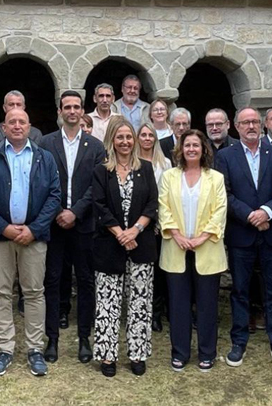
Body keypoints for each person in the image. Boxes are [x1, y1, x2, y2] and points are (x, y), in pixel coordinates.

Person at [0, 108, 61, 377]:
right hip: (0, 238)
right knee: (0, 292)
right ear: (4, 127)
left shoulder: (44, 158)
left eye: (22, 121)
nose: (17, 126)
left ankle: (34, 348)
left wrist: (33, 229)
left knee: (34, 292)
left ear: (30, 126)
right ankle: (5, 348)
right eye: (12, 122)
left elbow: (54, 196)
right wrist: (4, 228)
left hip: (33, 239)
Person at [215, 108, 272, 368]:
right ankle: (239, 341)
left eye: (254, 121)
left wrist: (266, 212)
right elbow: (223, 193)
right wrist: (250, 215)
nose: (251, 126)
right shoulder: (225, 156)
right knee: (240, 291)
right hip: (242, 233)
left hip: (271, 233)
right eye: (245, 122)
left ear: (262, 126)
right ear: (236, 127)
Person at [40, 91, 107, 364]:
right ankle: (52, 339)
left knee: (86, 281)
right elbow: (41, 182)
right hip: (54, 225)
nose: (71, 111)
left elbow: (97, 186)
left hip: (84, 225)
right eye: (67, 106)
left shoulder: (95, 146)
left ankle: (84, 339)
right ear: (60, 110)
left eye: (76, 107)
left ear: (82, 111)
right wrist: (59, 213)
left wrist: (75, 212)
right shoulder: (45, 143)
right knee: (53, 281)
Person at [91, 119, 159, 377]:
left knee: (139, 302)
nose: (125, 142)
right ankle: (108, 355)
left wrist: (135, 231)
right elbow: (99, 206)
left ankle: (137, 353)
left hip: (141, 245)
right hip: (110, 245)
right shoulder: (101, 171)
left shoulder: (147, 169)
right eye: (119, 137)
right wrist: (121, 234)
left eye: (129, 137)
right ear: (112, 139)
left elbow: (153, 203)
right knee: (108, 302)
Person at [158, 130, 228, 372]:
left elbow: (220, 210)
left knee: (207, 305)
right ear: (181, 148)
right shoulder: (169, 176)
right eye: (187, 145)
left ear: (203, 149)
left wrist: (202, 237)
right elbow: (163, 207)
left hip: (206, 249)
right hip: (176, 248)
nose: (191, 149)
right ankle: (180, 352)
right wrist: (176, 234)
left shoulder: (216, 178)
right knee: (178, 305)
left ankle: (207, 353)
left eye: (195, 145)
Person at [135, 122, 171, 332]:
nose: (147, 138)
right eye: (144, 135)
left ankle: (155, 313)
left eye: (151, 135)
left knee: (157, 272)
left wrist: (158, 221)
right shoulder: (131, 162)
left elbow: (167, 196)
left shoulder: (164, 163)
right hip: (136, 224)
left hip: (157, 225)